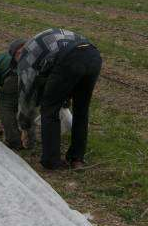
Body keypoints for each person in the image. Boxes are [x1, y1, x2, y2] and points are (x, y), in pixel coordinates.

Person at [16, 28, 102, 170]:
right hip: (93, 55)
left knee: (49, 109)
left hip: (70, 57)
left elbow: (26, 96)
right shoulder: (41, 41)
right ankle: (77, 159)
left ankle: (51, 161)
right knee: (81, 110)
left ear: (17, 54)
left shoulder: (26, 57)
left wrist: (24, 126)